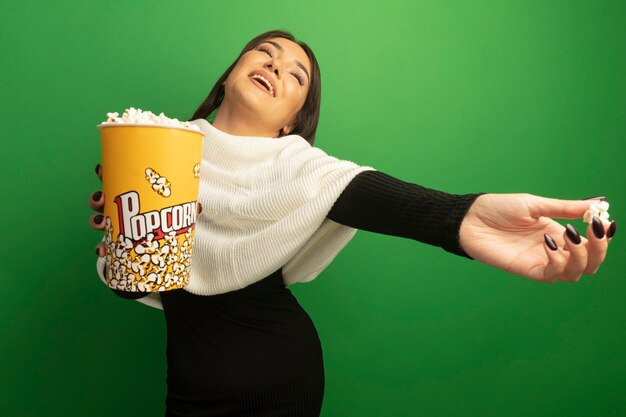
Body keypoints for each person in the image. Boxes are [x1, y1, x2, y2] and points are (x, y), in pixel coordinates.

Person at [88, 30, 616, 417]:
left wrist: (466, 217)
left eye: (295, 74)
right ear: (230, 74)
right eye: (264, 54)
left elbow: (375, 197)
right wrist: (123, 234)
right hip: (187, 384)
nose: (276, 67)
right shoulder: (155, 149)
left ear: (292, 120)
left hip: (280, 381)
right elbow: (137, 283)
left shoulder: (299, 168)